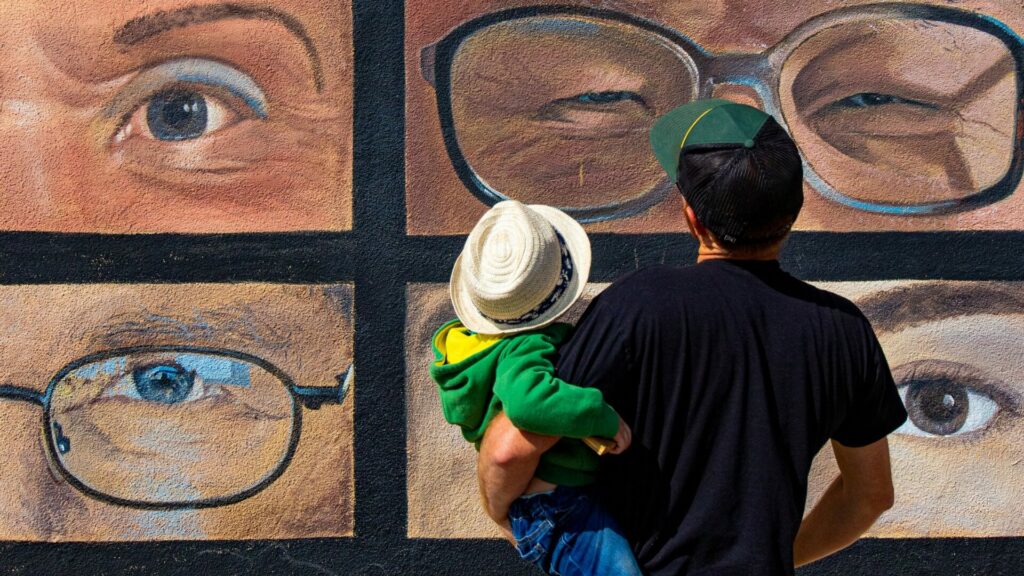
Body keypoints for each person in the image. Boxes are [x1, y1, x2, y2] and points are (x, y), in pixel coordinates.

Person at [477, 99, 909, 575]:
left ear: (692, 218)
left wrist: (508, 517)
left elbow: (509, 449)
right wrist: (781, 558)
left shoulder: (637, 305)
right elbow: (870, 495)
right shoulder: (843, 330)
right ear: (794, 213)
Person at [429, 200, 642, 575]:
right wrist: (601, 416)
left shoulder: (469, 347)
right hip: (561, 504)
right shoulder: (526, 346)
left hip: (540, 504)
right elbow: (529, 404)